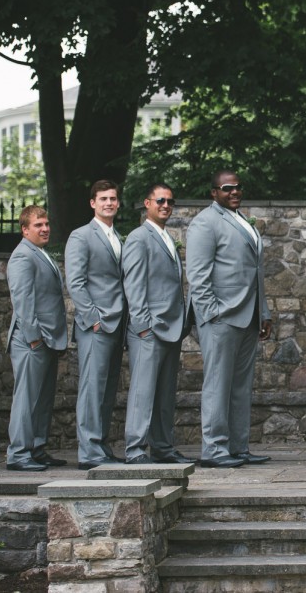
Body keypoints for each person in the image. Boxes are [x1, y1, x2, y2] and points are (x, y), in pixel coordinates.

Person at [186, 170, 273, 468]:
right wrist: (212, 314)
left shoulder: (242, 221)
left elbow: (255, 273)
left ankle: (238, 446)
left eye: (238, 187)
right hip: (221, 317)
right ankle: (213, 449)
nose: (234, 192)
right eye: (227, 188)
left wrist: (263, 313)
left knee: (240, 386)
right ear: (214, 193)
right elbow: (198, 276)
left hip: (248, 317)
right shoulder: (205, 223)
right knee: (217, 385)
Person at [122, 183, 195, 464]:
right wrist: (143, 325)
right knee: (143, 391)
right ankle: (135, 450)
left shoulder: (166, 237)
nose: (166, 205)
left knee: (164, 394)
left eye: (170, 202)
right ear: (147, 203)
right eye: (161, 201)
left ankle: (163, 447)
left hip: (171, 327)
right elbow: (135, 284)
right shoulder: (139, 238)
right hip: (149, 329)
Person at [66, 180, 127, 470]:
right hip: (97, 325)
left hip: (118, 323)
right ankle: (88, 451)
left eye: (113, 198)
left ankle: (101, 445)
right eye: (103, 198)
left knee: (107, 389)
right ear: (93, 203)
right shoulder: (81, 236)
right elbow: (76, 283)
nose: (109, 203)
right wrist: (93, 320)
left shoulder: (119, 237)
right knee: (91, 388)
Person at [5, 206, 68, 471]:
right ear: (25, 230)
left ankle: (37, 448)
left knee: (42, 399)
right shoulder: (22, 256)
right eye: (38, 225)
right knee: (27, 399)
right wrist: (33, 339)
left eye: (46, 223)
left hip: (47, 339)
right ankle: (18, 454)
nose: (45, 228)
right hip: (32, 340)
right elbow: (22, 301)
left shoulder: (39, 253)